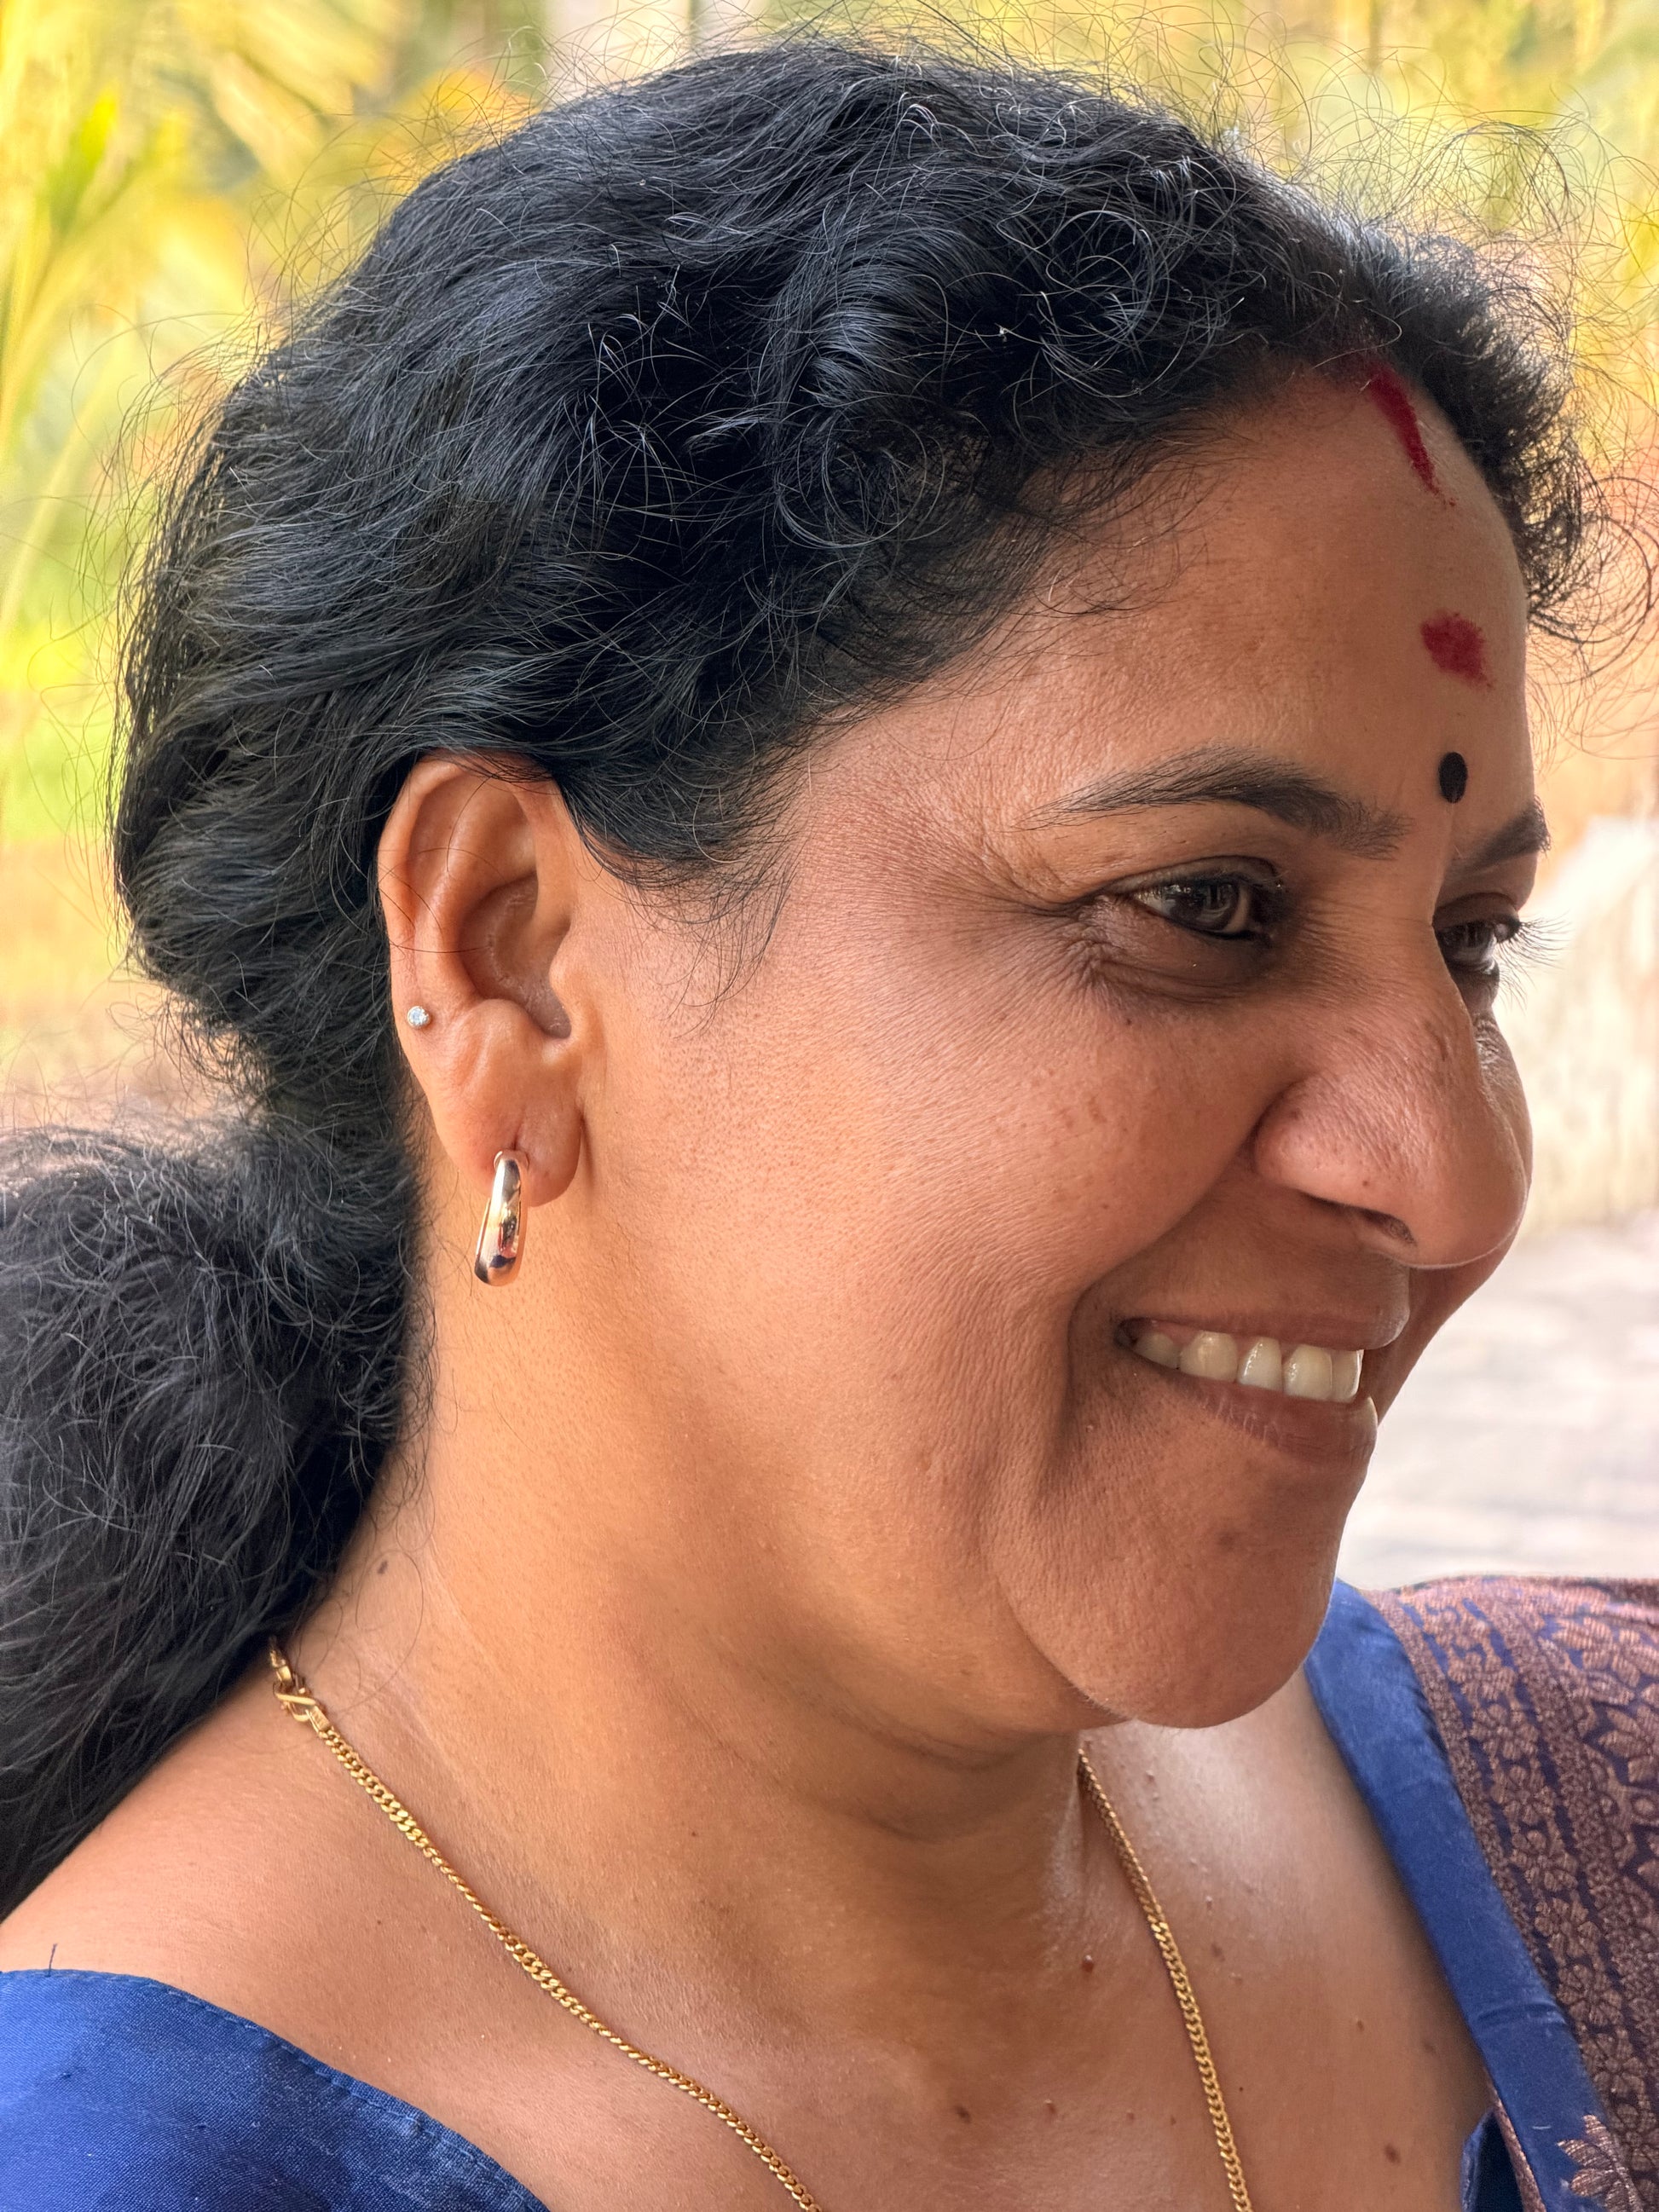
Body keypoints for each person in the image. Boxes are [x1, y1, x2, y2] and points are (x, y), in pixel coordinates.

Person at [0, 35, 1653, 2212]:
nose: (1445, 1178)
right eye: (1202, 908)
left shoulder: (1582, 1831)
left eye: (1467, 943)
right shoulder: (134, 2160)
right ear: (506, 956)